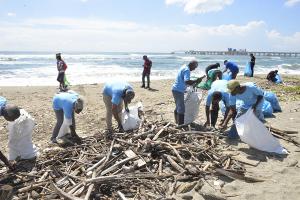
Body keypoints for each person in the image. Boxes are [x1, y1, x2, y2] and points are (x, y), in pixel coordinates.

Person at [172, 61, 205, 125]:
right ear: (192, 65)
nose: (194, 69)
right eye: (195, 67)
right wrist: (196, 80)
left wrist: (195, 81)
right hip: (179, 90)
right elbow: (187, 81)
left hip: (175, 89)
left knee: (178, 106)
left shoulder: (183, 67)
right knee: (181, 108)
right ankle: (180, 125)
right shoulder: (187, 70)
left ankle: (176, 121)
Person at [0, 96, 21, 170]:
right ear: (6, 115)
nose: (13, 121)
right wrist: (7, 162)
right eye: (12, 119)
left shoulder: (3, 101)